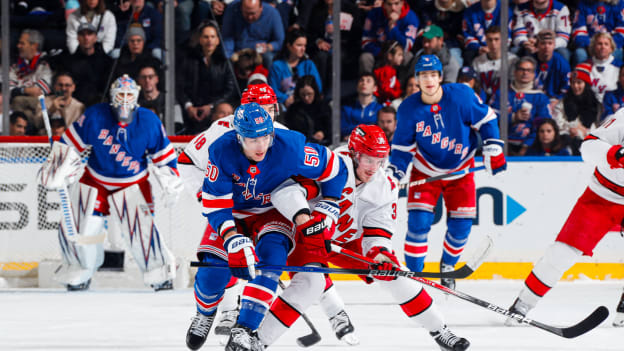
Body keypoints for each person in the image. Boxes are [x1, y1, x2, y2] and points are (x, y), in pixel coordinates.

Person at [257, 124, 471, 351]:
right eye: (369, 159)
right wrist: (305, 221)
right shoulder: (328, 165)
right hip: (306, 237)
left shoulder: (384, 185)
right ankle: (260, 341)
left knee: (397, 277)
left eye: (380, 160)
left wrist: (380, 253)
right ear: (354, 154)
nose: (374, 167)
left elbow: (377, 232)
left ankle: (440, 330)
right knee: (311, 283)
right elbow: (285, 192)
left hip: (346, 241)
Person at [178, 84, 354, 350]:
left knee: (272, 260)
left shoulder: (287, 142)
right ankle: (204, 313)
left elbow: (335, 168)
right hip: (233, 210)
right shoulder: (220, 145)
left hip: (272, 210)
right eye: (252, 139)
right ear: (238, 135)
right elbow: (213, 200)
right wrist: (230, 237)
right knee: (212, 273)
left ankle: (245, 329)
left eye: (270, 111)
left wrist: (327, 205)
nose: (261, 145)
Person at [36, 75, 182, 292]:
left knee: (141, 231)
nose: (124, 100)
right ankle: (79, 270)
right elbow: (69, 145)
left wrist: (170, 181)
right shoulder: (95, 116)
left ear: (137, 97)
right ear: (112, 96)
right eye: (120, 95)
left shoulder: (149, 121)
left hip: (133, 182)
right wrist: (58, 167)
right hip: (96, 179)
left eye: (129, 95)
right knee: (77, 225)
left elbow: (164, 157)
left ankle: (159, 273)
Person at [388, 55, 507, 290]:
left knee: (461, 225)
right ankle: (414, 275)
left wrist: (493, 147)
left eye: (433, 74)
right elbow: (402, 149)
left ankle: (448, 266)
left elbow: (487, 118)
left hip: (462, 171)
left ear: (441, 77)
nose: (429, 79)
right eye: (423, 75)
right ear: (417, 80)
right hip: (425, 172)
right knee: (418, 223)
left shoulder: (461, 95)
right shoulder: (408, 109)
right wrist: (395, 174)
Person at [506, 107, 624, 328]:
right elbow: (588, 147)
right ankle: (523, 303)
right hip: (602, 196)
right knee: (561, 254)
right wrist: (614, 154)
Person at [177, 21, 238, 135]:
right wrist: (189, 106)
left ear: (218, 40)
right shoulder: (188, 60)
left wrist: (211, 106)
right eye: (206, 37)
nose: (209, 40)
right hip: (192, 110)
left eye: (212, 37)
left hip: (215, 110)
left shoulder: (225, 63)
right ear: (200, 39)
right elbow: (180, 86)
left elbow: (230, 89)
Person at [490, 56, 552, 156]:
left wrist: (527, 145)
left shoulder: (541, 97)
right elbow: (490, 118)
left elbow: (545, 124)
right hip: (501, 143)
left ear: (534, 74)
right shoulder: (501, 94)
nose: (525, 73)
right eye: (522, 69)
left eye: (529, 70)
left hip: (532, 146)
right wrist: (513, 117)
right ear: (515, 72)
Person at [59, 22, 113, 107]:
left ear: (95, 38)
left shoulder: (107, 61)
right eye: (82, 34)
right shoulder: (69, 61)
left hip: (100, 104)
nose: (86, 37)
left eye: (89, 34)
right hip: (75, 105)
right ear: (77, 38)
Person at [9, 29, 53, 131]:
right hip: (26, 111)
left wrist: (19, 90)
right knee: (25, 111)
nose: (18, 46)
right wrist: (26, 90)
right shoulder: (15, 67)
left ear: (34, 46)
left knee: (18, 100)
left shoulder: (45, 64)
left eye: (22, 43)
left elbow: (42, 90)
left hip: (41, 105)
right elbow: (9, 90)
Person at [552, 64, 601, 155]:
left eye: (579, 83)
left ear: (585, 84)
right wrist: (570, 129)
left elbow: (600, 124)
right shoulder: (563, 102)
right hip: (568, 138)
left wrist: (586, 132)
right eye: (573, 83)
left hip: (590, 138)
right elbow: (558, 123)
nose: (575, 86)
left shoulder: (595, 103)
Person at [268, 28, 323, 108]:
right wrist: (285, 99)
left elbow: (317, 86)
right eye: (299, 45)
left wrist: (300, 96)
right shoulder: (277, 66)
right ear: (289, 46)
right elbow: (272, 90)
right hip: (285, 105)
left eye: (304, 45)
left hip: (306, 102)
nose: (303, 49)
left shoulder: (308, 64)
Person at [221, 0, 285, 68]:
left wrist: (268, 46)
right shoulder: (232, 9)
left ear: (261, 8)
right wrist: (228, 55)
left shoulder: (272, 13)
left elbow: (280, 41)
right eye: (246, 13)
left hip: (260, 53)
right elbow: (227, 37)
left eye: (253, 13)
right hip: (238, 51)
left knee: (269, 58)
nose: (249, 17)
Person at [359, 0, 419, 74]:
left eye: (396, 4)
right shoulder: (373, 14)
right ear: (383, 4)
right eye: (389, 4)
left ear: (402, 3)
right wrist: (384, 54)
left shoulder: (411, 17)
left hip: (398, 55)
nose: (393, 8)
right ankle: (369, 83)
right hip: (379, 53)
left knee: (408, 56)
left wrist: (393, 28)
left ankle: (403, 84)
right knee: (365, 57)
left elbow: (407, 46)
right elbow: (365, 42)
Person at [472, 25, 518, 101]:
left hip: (505, 100)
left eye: (496, 39)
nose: (493, 43)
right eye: (490, 40)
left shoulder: (513, 60)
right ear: (486, 40)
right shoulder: (477, 61)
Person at [284, 75, 332, 145]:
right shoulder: (293, 110)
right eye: (303, 95)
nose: (306, 98)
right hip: (300, 144)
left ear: (315, 92)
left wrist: (323, 133)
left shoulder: (324, 107)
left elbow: (332, 128)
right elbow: (289, 130)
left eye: (309, 94)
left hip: (323, 145)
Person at [340, 73, 383, 139]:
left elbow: (380, 130)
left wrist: (355, 131)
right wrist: (369, 126)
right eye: (361, 80)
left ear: (375, 88)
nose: (364, 83)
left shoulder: (380, 109)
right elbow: (343, 129)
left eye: (368, 81)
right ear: (357, 87)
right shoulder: (346, 108)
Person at [374, 40, 404, 105]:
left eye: (402, 55)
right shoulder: (386, 70)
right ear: (390, 56)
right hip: (381, 102)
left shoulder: (392, 71)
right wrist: (396, 94)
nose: (402, 58)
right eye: (399, 55)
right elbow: (385, 89)